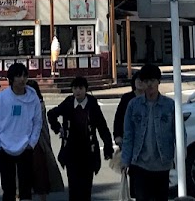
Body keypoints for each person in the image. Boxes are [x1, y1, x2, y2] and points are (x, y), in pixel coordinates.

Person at [47, 76, 113, 201]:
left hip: (88, 152)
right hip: (71, 151)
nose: (78, 91)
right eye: (75, 88)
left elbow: (102, 127)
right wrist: (58, 128)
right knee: (73, 188)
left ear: (85, 89)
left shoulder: (92, 104)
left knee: (86, 189)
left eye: (81, 88)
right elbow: (51, 114)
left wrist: (108, 147)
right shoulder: (68, 102)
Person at [120, 64, 176, 201]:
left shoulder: (170, 105)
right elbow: (129, 134)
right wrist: (125, 160)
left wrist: (179, 158)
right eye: (146, 81)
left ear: (159, 81)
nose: (149, 84)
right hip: (139, 163)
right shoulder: (134, 105)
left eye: (152, 80)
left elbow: (178, 133)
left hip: (162, 164)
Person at [0, 62, 41, 201]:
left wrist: (32, 143)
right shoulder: (1, 98)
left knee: (26, 187)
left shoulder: (33, 98)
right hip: (4, 147)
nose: (22, 79)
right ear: (11, 79)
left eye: (25, 76)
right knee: (8, 188)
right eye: (18, 76)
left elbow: (37, 122)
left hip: (25, 147)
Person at [26, 80, 64, 200]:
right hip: (32, 143)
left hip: (37, 143)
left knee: (39, 174)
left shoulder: (39, 105)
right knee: (32, 174)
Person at [113, 72, 146, 200]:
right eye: (137, 79)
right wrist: (117, 136)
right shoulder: (127, 98)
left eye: (142, 80)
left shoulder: (150, 98)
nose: (140, 82)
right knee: (133, 173)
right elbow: (119, 118)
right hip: (130, 142)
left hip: (145, 143)